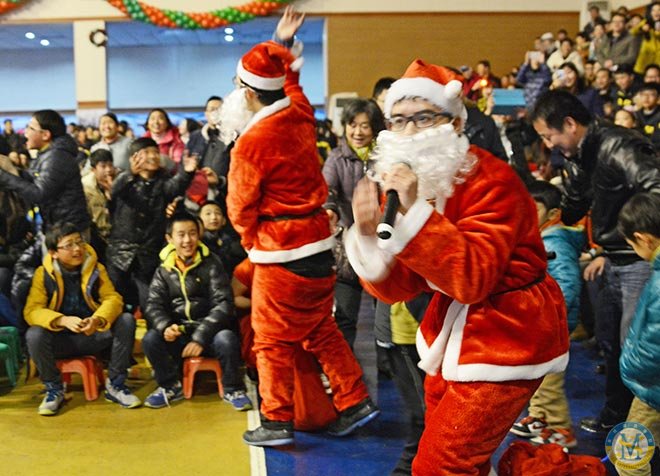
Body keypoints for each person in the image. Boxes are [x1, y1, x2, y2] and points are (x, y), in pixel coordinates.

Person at [346, 59, 568, 474]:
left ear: (456, 122)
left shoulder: (492, 180)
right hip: (452, 332)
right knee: (453, 457)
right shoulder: (419, 185)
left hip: (508, 333)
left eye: (423, 118)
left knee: (440, 464)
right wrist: (369, 238)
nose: (409, 132)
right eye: (398, 121)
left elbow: (472, 279)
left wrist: (413, 213)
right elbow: (399, 288)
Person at [224, 7, 378, 447]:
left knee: (270, 340)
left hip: (280, 253)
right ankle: (354, 400)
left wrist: (252, 241)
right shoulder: (300, 114)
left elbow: (239, 208)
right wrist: (283, 46)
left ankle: (276, 420)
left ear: (247, 92)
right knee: (320, 329)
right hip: (319, 246)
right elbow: (291, 84)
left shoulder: (250, 143)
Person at [530, 90, 660, 433]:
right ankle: (617, 415)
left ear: (570, 124)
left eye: (549, 136)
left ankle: (642, 431)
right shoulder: (581, 154)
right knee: (612, 343)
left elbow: (656, 188)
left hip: (638, 259)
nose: (549, 145)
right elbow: (575, 204)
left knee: (639, 350)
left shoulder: (618, 146)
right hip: (613, 257)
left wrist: (633, 233)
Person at [24, 222, 140, 415]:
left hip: (93, 336)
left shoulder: (96, 268)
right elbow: (32, 310)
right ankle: (54, 389)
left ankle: (116, 384)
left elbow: (113, 299)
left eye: (79, 242)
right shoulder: (43, 274)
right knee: (34, 334)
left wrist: (97, 320)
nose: (77, 249)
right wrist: (62, 320)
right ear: (53, 252)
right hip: (61, 340)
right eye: (69, 245)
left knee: (126, 320)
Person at [141, 212, 251, 411]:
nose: (187, 240)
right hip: (180, 334)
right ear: (169, 238)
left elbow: (223, 304)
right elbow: (153, 305)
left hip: (209, 334)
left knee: (226, 339)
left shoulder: (212, 263)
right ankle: (170, 385)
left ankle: (233, 388)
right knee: (150, 339)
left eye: (192, 233)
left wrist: (200, 337)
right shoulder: (163, 270)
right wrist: (165, 326)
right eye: (181, 234)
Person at [510, 181, 586, 449]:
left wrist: (551, 317)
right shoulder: (540, 237)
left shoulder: (555, 242)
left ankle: (560, 427)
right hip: (539, 322)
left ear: (553, 213)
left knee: (549, 378)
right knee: (536, 375)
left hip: (551, 325)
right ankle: (539, 416)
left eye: (535, 209)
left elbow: (568, 284)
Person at [322, 98, 386, 348]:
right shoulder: (336, 158)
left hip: (382, 247)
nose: (357, 132)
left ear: (375, 128)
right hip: (348, 247)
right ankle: (345, 365)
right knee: (345, 317)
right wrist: (329, 209)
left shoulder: (385, 157)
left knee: (384, 317)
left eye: (365, 126)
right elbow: (327, 189)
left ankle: (385, 364)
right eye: (352, 125)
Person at [106, 137, 196, 312]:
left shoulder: (163, 181)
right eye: (146, 152)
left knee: (150, 303)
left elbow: (174, 187)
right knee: (117, 303)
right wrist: (130, 173)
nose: (153, 156)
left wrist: (187, 172)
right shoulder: (125, 179)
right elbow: (114, 191)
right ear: (133, 157)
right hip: (119, 253)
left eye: (155, 152)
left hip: (149, 254)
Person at [616, 192, 660, 476]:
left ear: (644, 239)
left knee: (628, 458)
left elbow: (654, 346)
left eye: (632, 245)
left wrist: (628, 367)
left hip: (653, 389)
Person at [0, 110, 90, 234]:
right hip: (59, 227)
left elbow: (39, 193)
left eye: (30, 128)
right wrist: (11, 170)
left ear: (45, 135)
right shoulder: (47, 153)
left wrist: (3, 176)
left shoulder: (57, 156)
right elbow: (34, 179)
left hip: (69, 232)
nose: (25, 133)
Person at [82, 149, 115, 262]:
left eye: (110, 165)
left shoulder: (121, 181)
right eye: (103, 166)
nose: (108, 170)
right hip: (96, 236)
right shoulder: (85, 187)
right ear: (93, 169)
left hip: (118, 236)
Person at [198, 200, 246, 276]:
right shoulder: (197, 243)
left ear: (224, 220)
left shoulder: (233, 242)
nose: (214, 217)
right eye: (208, 213)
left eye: (217, 213)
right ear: (199, 220)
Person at [634, 82, 660, 149]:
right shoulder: (636, 115)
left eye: (651, 95)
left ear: (658, 98)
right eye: (643, 94)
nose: (646, 98)